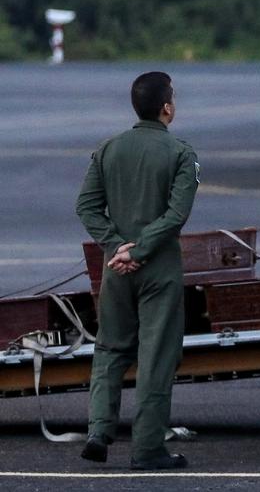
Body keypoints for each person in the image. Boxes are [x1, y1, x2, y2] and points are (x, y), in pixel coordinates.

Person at [76, 71, 199, 470]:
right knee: (156, 356)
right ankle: (147, 448)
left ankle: (98, 430)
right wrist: (142, 249)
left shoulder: (108, 149)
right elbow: (176, 214)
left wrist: (117, 247)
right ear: (167, 107)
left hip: (117, 268)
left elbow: (87, 207)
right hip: (158, 268)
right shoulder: (181, 153)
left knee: (110, 349)